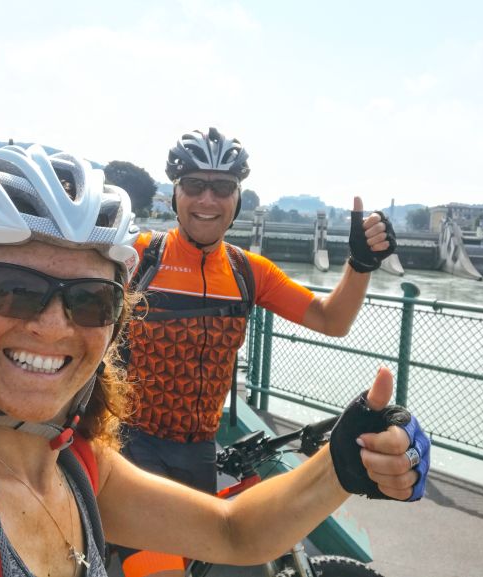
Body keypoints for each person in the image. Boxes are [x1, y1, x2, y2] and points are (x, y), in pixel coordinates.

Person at [0, 144, 428, 577]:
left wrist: (342, 465)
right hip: (134, 439)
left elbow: (233, 530)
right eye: (7, 289)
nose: (52, 325)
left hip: (181, 446)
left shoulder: (78, 466)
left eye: (89, 301)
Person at [118, 127, 400, 574]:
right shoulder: (136, 257)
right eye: (194, 185)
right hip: (131, 448)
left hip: (199, 452)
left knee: (194, 565)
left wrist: (360, 264)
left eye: (223, 188)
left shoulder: (249, 272)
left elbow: (332, 320)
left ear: (237, 197)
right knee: (154, 569)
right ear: (175, 193)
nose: (207, 199)